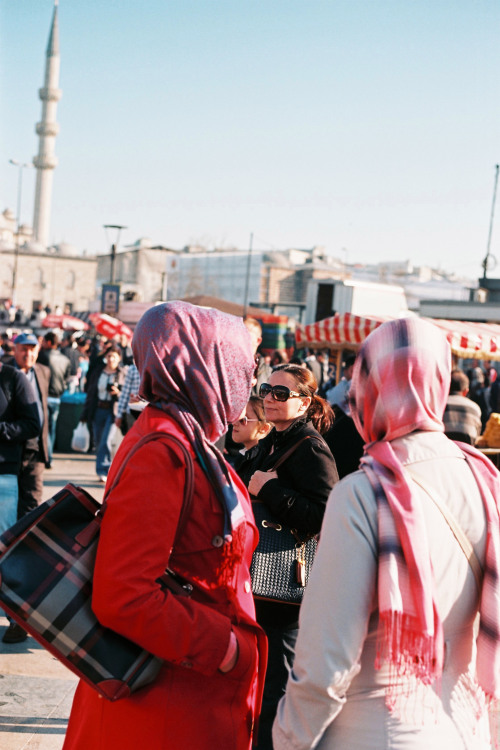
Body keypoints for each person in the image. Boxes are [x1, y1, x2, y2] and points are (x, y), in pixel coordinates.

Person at [273, 317, 500, 750]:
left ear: (369, 386)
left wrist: (287, 738)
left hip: (371, 731)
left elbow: (325, 662)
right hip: (461, 729)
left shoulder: (363, 493)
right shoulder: (486, 481)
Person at [63, 301, 266, 750]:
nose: (249, 378)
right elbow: (124, 594)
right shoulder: (165, 448)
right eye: (243, 362)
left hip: (181, 691)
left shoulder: (186, 435)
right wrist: (226, 649)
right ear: (206, 363)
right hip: (165, 706)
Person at [245, 364, 339, 749]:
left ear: (304, 402)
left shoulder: (310, 446)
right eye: (267, 389)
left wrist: (271, 491)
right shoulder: (273, 440)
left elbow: (326, 513)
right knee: (261, 679)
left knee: (276, 685)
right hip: (259, 578)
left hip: (285, 584)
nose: (269, 397)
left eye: (281, 394)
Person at [11, 333, 50, 517]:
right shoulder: (6, 372)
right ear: (14, 350)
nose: (28, 354)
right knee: (10, 501)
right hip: (11, 446)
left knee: (33, 501)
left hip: (35, 448)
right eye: (23, 349)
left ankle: (25, 543)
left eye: (32, 349)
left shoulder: (43, 371)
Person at [80, 344, 126, 482]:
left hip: (112, 411)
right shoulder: (98, 371)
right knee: (99, 441)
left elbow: (128, 393)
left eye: (114, 356)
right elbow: (90, 392)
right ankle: (103, 467)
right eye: (109, 356)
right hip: (97, 409)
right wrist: (85, 413)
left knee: (107, 440)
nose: (111, 359)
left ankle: (104, 469)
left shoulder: (122, 373)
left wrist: (118, 393)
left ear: (119, 359)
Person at [37, 331, 71, 466]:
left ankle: (46, 456)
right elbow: (66, 379)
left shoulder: (42, 356)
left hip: (45, 396)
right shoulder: (65, 359)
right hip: (57, 397)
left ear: (49, 342)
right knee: (51, 428)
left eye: (44, 341)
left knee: (44, 428)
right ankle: (49, 457)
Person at [229, 395, 272, 484]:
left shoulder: (263, 463)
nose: (234, 423)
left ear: (264, 428)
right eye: (236, 416)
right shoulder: (244, 455)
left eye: (243, 419)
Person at [443, 368, 482, 444]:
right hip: (467, 451)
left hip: (444, 451)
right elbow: (476, 435)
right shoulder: (475, 408)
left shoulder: (439, 406)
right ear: (466, 391)